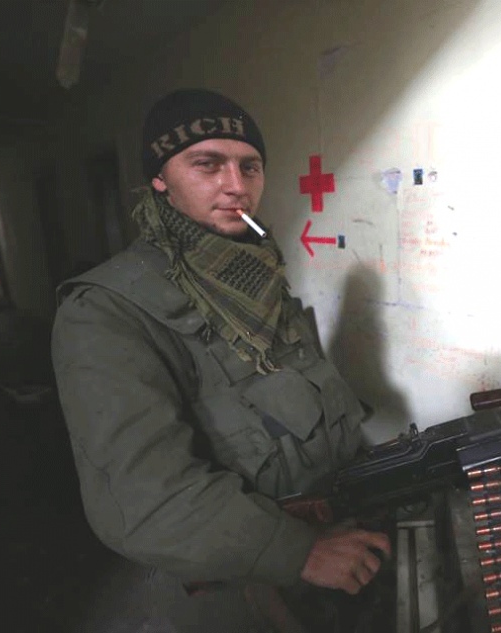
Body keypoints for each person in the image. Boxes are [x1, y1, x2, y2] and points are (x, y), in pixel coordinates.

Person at [51, 89, 391, 631]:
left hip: (332, 531)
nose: (237, 185)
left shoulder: (252, 269)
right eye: (207, 164)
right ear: (159, 179)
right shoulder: (106, 310)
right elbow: (145, 501)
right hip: (238, 580)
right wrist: (301, 553)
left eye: (249, 166)